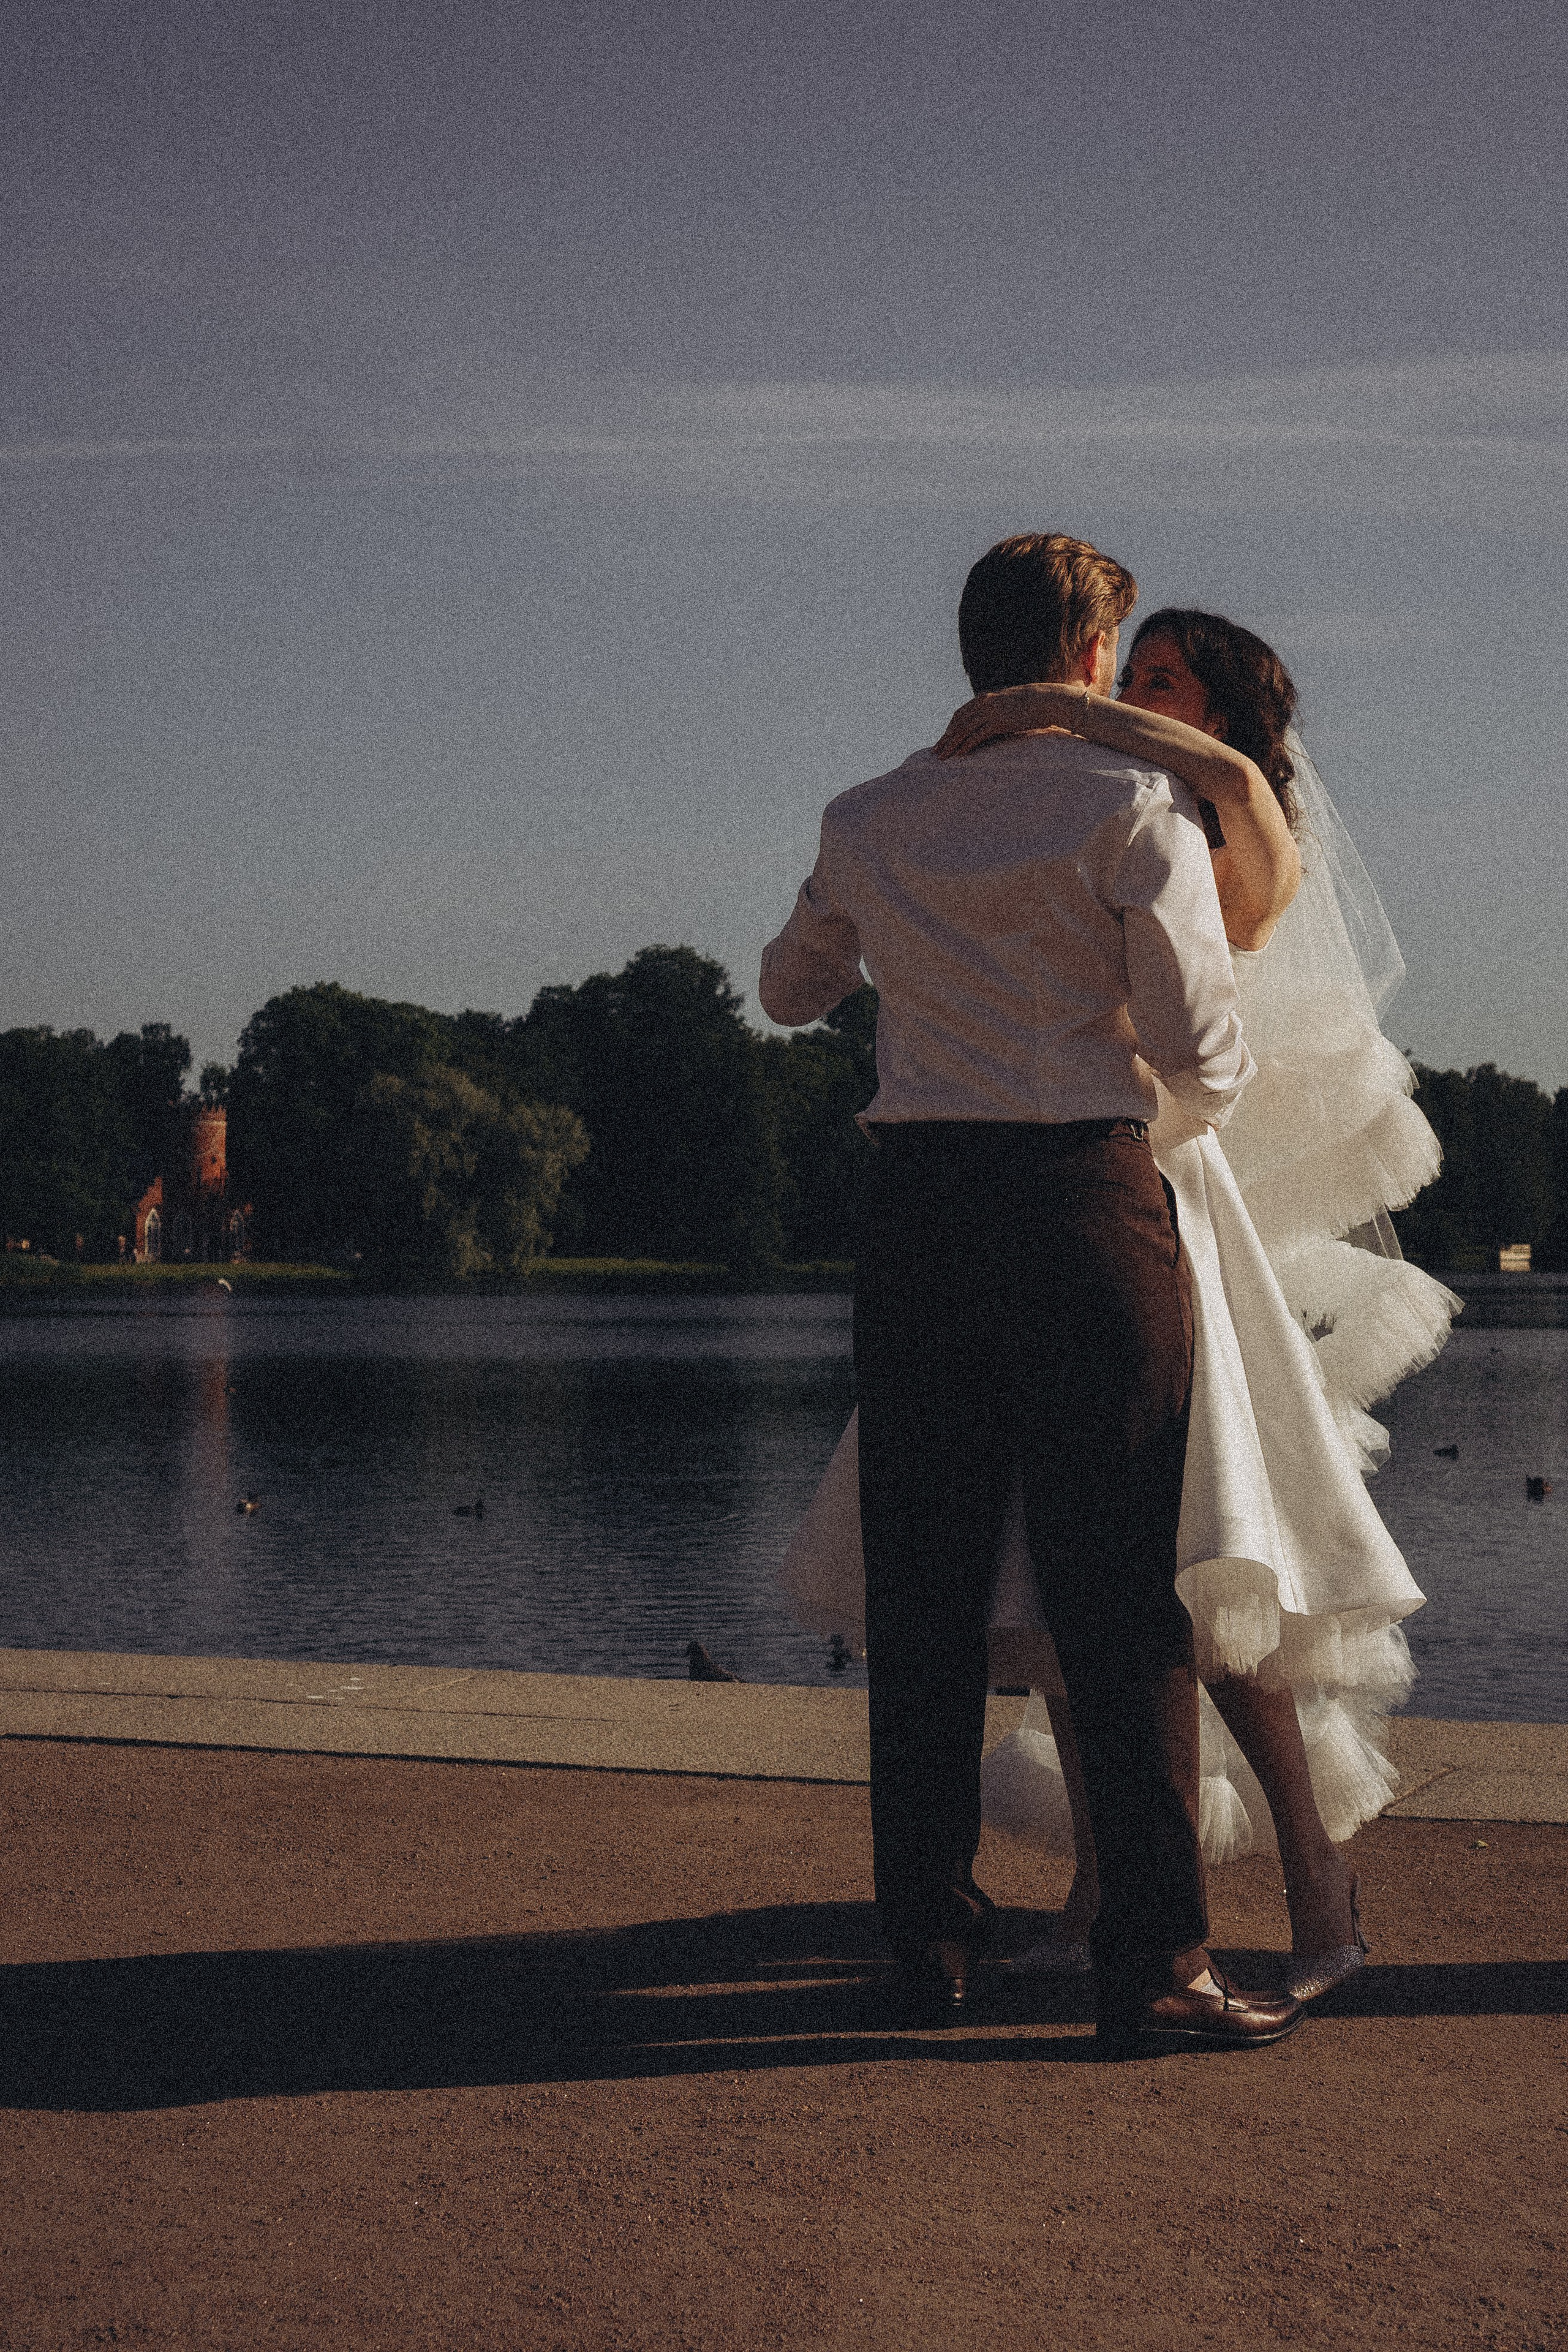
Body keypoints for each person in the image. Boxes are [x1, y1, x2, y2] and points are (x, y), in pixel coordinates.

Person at [782, 607, 1455, 2002]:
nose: (1134, 696)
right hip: (1088, 1197)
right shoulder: (1098, 809)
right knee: (1050, 1580)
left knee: (1214, 1591)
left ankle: (1317, 1895)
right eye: (1127, 671)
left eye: (1165, 685)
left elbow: (1211, 998)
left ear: (1216, 713)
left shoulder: (1221, 812)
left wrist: (1071, 715)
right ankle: (1107, 1895)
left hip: (1165, 1198)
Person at [761, 532, 1302, 2056]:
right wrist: (1118, 1129)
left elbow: (790, 992)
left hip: (916, 1213)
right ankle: (1153, 1965)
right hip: (1078, 1202)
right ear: (1084, 660)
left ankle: (923, 1940)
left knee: (923, 1591)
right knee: (1117, 1593)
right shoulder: (1130, 806)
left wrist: (870, 931)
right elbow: (1202, 1057)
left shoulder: (866, 816)